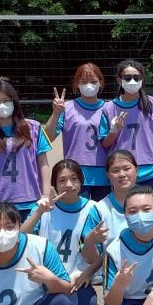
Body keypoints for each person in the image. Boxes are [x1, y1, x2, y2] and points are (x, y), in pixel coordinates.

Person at [24, 159, 102, 305]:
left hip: (76, 276)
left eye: (74, 179)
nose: (68, 184)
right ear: (54, 184)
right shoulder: (43, 206)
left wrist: (85, 274)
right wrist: (39, 213)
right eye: (62, 180)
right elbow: (21, 238)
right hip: (44, 275)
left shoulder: (93, 208)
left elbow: (96, 257)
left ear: (81, 181)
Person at [0, 77, 53, 218]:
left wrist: (46, 194)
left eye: (6, 100)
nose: (2, 105)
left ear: (14, 101)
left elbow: (43, 163)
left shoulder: (34, 128)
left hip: (29, 201)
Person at [44, 63, 111, 202]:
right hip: (75, 174)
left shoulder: (109, 108)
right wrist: (56, 114)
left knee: (102, 213)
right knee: (78, 213)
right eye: (84, 82)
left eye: (93, 81)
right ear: (76, 84)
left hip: (104, 174)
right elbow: (48, 137)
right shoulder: (67, 108)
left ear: (101, 83)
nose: (89, 85)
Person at [102, 59, 153, 193]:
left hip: (149, 171)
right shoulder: (108, 108)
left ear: (142, 79)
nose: (132, 81)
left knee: (150, 206)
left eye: (136, 77)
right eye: (127, 78)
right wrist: (114, 131)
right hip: (122, 173)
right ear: (119, 80)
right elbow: (105, 144)